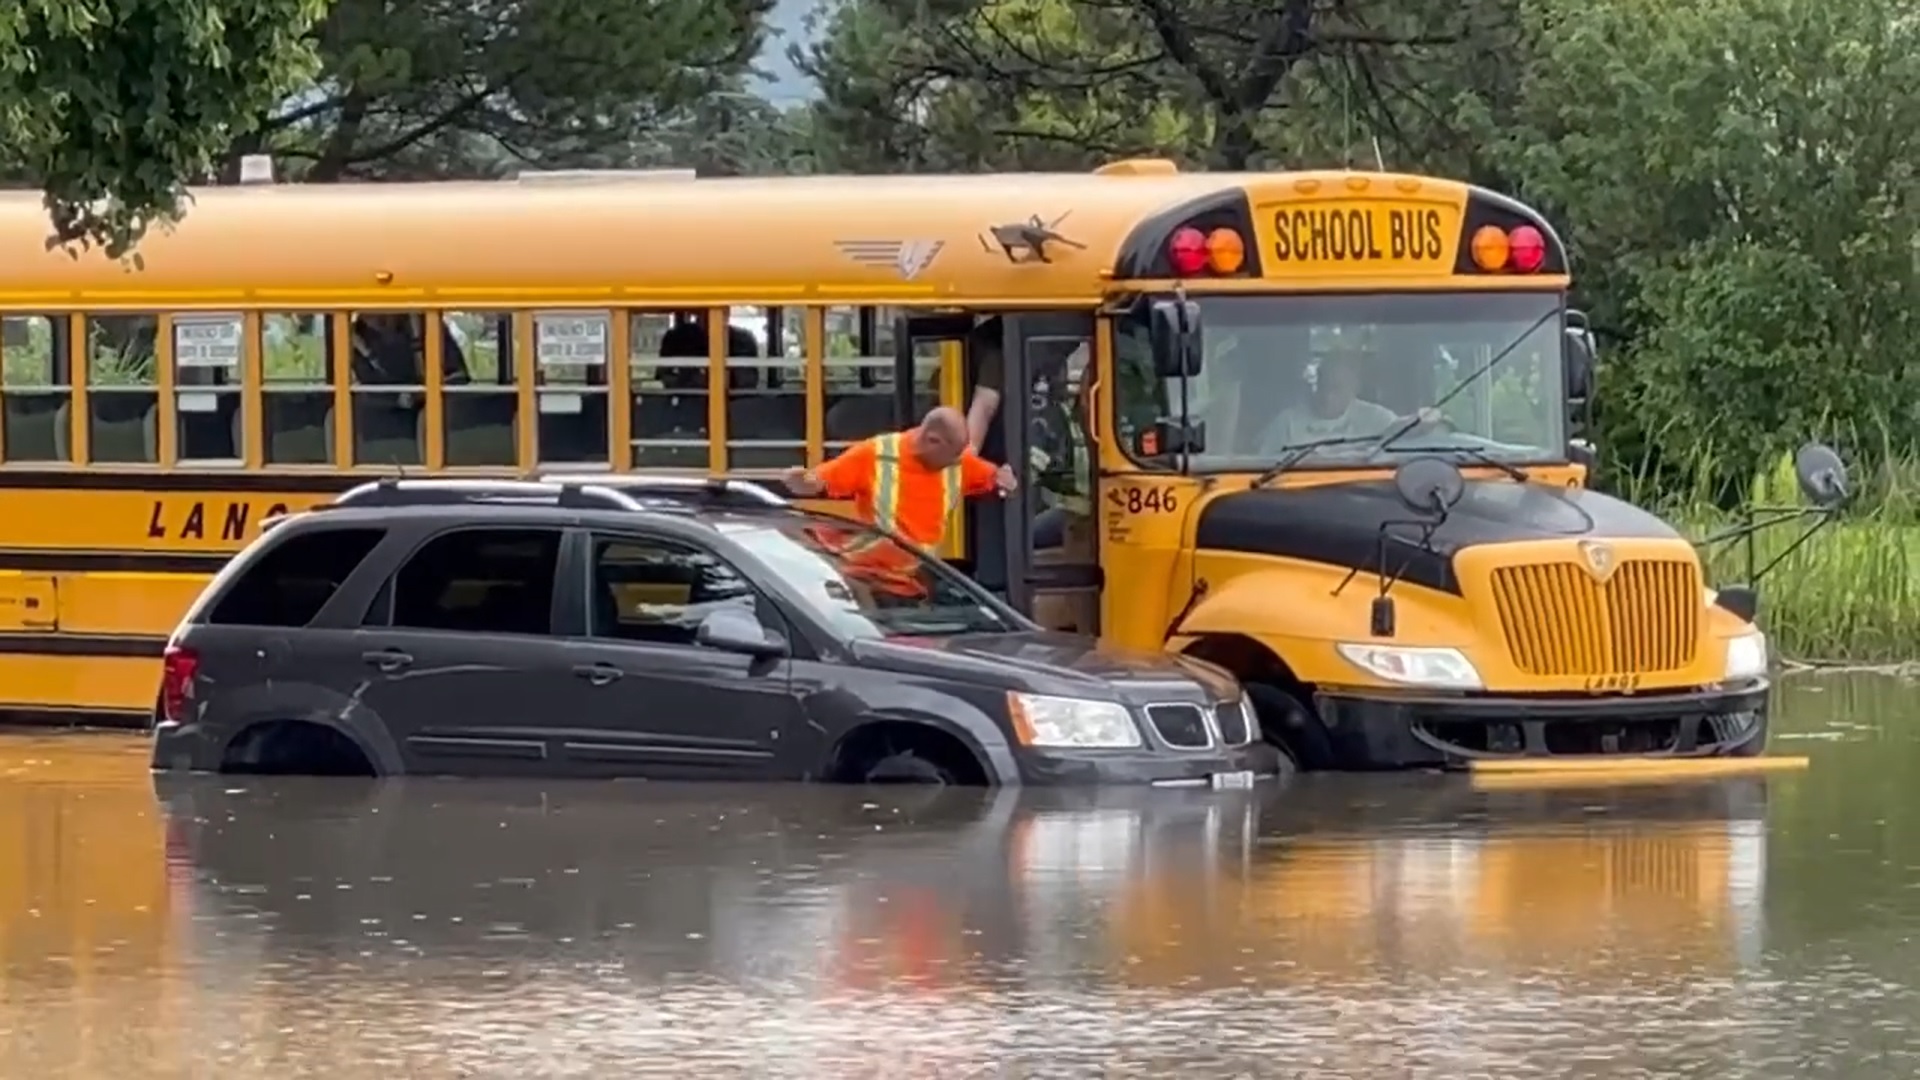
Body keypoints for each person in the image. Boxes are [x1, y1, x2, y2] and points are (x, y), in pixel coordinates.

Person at [783, 406, 1017, 552]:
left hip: (919, 576)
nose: (957, 461)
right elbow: (820, 480)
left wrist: (1005, 479)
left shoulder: (959, 462)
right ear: (931, 440)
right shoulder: (875, 454)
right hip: (873, 577)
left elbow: (997, 478)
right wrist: (803, 482)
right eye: (953, 454)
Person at [1257, 348, 1439, 451]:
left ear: (1355, 388)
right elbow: (1260, 468)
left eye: (1337, 388)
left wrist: (1426, 420)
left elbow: (1403, 431)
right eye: (1323, 385)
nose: (1327, 396)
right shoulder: (1287, 423)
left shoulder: (1376, 419)